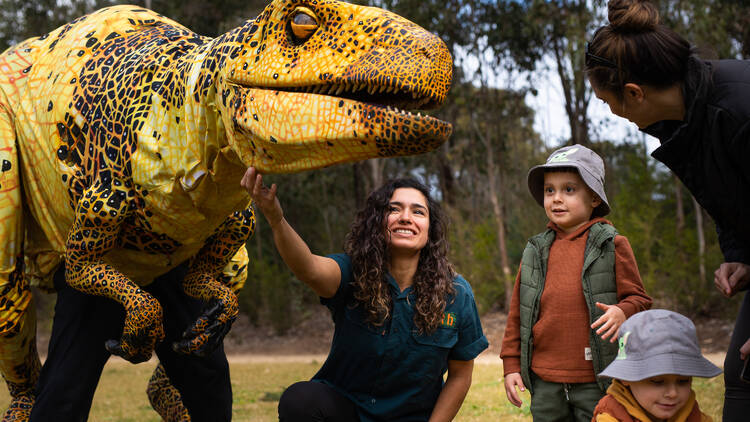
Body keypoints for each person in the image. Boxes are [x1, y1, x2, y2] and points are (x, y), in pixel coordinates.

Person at [584, 1, 750, 419]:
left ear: (634, 93)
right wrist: (740, 255)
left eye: (608, 102)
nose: (612, 113)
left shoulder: (738, 109)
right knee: (743, 374)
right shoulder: (685, 125)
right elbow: (731, 201)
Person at [241, 167, 488, 422]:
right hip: (348, 412)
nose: (405, 217)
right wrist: (276, 219)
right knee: (300, 400)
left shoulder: (456, 294)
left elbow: (460, 375)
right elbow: (310, 269)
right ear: (378, 222)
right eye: (394, 209)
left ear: (430, 229)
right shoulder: (352, 273)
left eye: (418, 211)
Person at [500, 145, 652, 421]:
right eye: (550, 190)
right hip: (544, 380)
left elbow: (640, 301)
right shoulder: (535, 249)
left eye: (569, 190)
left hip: (598, 378)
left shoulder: (612, 244)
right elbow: (517, 313)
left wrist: (622, 312)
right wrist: (511, 365)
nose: (556, 199)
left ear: (594, 197)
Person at [593, 309, 722, 422]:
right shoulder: (611, 417)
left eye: (683, 381)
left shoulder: (694, 416)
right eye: (657, 381)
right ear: (625, 378)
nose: (672, 393)